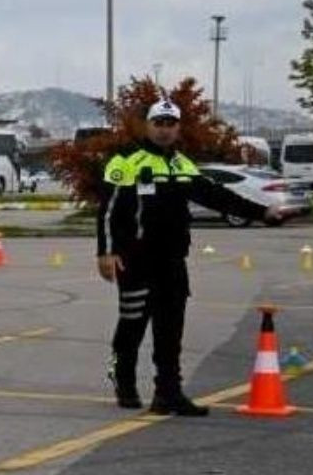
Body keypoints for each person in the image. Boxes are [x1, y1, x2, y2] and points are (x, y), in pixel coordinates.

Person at [98, 98, 270, 415]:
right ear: (147, 125)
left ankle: (168, 393)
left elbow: (216, 196)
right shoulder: (125, 161)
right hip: (135, 260)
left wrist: (263, 212)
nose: (164, 130)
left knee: (170, 329)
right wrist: (106, 252)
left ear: (177, 128)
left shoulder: (182, 165)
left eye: (170, 124)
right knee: (132, 325)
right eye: (158, 123)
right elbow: (108, 211)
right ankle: (123, 380)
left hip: (173, 262)